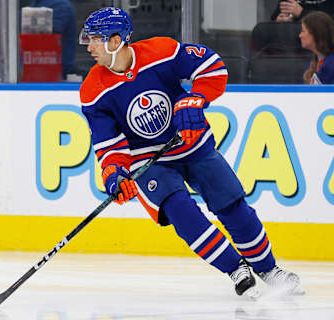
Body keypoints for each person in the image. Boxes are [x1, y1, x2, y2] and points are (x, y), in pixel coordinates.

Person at [79, 7, 304, 298]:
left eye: (95, 39)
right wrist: (114, 174)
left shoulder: (160, 51)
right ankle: (236, 269)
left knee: (232, 207)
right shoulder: (92, 91)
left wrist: (195, 99)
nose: (89, 46)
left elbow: (212, 65)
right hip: (149, 163)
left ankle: (269, 270)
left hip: (192, 145)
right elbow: (108, 145)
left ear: (115, 40)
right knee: (181, 211)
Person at [29, 0, 77, 79]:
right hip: (40, 66)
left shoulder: (59, 4)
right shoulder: (38, 3)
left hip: (52, 68)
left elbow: (46, 37)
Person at [299, 11, 334, 84]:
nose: (300, 35)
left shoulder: (331, 64)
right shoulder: (313, 63)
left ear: (315, 33)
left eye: (303, 31)